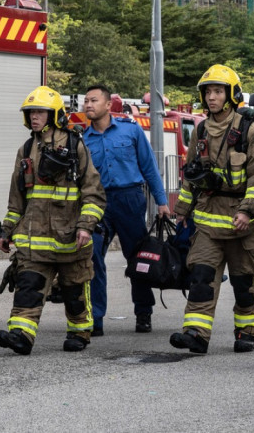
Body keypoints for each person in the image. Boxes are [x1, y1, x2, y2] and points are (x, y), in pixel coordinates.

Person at [0, 86, 105, 355]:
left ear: (54, 114)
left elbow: (94, 192)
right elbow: (17, 198)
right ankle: (21, 335)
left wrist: (86, 226)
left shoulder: (75, 146)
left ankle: (79, 332)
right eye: (31, 112)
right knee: (28, 287)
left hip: (70, 240)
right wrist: (6, 230)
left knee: (74, 292)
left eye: (40, 112)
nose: (34, 117)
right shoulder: (26, 149)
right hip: (34, 241)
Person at [169, 65, 254, 356]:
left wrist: (247, 211)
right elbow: (191, 174)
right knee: (201, 277)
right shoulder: (200, 130)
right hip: (207, 220)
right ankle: (196, 334)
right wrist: (182, 210)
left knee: (243, 282)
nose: (211, 97)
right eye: (208, 92)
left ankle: (247, 331)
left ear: (232, 95)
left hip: (240, 223)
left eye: (217, 91)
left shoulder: (249, 131)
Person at [83, 84, 170, 335]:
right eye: (86, 101)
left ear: (108, 105)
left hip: (129, 199)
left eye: (94, 100)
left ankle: (143, 312)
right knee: (93, 254)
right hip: (97, 202)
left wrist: (162, 202)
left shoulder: (130, 131)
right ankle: (95, 317)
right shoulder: (82, 140)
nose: (88, 105)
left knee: (138, 259)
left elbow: (149, 168)